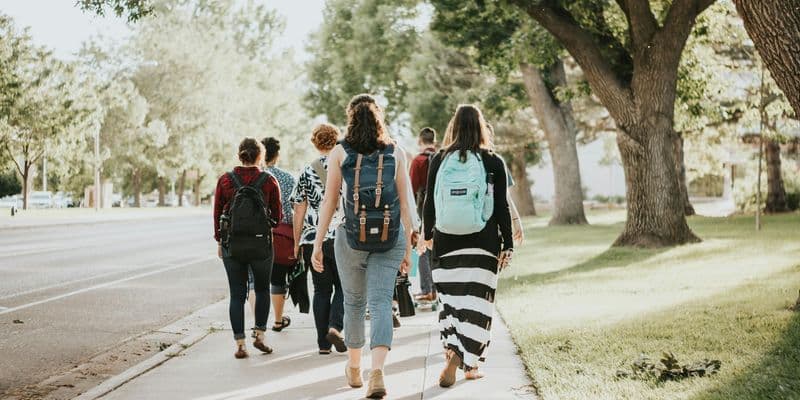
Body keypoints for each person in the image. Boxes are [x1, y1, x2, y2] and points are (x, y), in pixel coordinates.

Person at [312, 94, 414, 399]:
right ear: (379, 117)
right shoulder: (397, 152)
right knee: (381, 302)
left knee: (354, 304)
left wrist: (318, 243)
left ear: (350, 119)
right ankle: (378, 372)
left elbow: (330, 202)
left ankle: (354, 369)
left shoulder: (340, 152)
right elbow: (405, 203)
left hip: (351, 237)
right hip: (390, 236)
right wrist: (409, 246)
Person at [422, 105, 514, 387]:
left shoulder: (439, 159)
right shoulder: (494, 161)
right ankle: (470, 364)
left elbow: (429, 202)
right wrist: (507, 244)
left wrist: (427, 235)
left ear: (454, 128)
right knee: (478, 305)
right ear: (482, 128)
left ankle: (452, 352)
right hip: (483, 244)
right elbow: (500, 207)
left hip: (446, 243)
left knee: (451, 305)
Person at [213, 137, 282, 359]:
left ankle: (240, 344)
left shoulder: (225, 180)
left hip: (232, 245)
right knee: (262, 290)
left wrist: (219, 241)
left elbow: (217, 214)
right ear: (260, 157)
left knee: (236, 294)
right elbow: (277, 217)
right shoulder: (269, 180)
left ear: (239, 155)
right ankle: (260, 335)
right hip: (261, 244)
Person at [290, 123, 347, 355]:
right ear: (336, 140)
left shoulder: (306, 171)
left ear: (315, 142)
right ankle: (335, 326)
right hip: (341, 237)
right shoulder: (345, 166)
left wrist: (296, 243)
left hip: (313, 239)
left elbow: (299, 211)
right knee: (344, 288)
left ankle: (323, 345)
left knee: (321, 291)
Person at [260, 137, 296, 332]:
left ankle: (259, 324)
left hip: (255, 236)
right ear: (277, 155)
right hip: (281, 237)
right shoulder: (288, 178)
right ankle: (277, 319)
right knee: (278, 278)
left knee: (255, 280)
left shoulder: (253, 177)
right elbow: (292, 213)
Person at [409, 127, 438, 301]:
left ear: (420, 142)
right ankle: (437, 288)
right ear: (434, 142)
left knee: (422, 247)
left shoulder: (418, 161)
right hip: (441, 209)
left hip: (422, 208)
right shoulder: (443, 157)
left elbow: (411, 189)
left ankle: (427, 290)